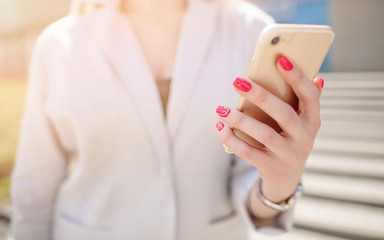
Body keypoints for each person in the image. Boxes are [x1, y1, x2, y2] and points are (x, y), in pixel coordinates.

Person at [11, 0, 324, 239]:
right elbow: (34, 190)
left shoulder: (249, 30)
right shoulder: (58, 44)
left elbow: (249, 177)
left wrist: (280, 184)